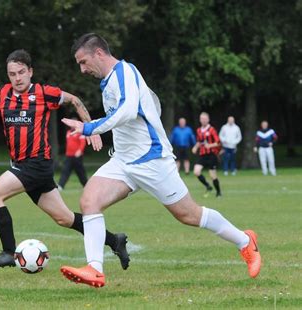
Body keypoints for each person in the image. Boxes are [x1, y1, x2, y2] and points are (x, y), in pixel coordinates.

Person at [59, 33, 260, 288]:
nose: (82, 69)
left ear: (99, 53)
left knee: (189, 215)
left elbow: (129, 110)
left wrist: (89, 128)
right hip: (124, 162)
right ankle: (94, 269)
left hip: (152, 159)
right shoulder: (108, 81)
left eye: (83, 62)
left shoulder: (125, 72)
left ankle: (245, 241)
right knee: (89, 200)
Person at [0, 49, 129, 270]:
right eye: (12, 74)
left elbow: (75, 101)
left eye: (21, 72)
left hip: (36, 164)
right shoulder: (2, 94)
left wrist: (92, 130)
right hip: (21, 166)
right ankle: (114, 240)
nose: (17, 78)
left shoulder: (43, 92)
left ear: (30, 72)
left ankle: (9, 252)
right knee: (65, 219)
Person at [192, 112, 222, 197]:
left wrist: (210, 145)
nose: (203, 120)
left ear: (208, 120)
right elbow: (199, 141)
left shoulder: (212, 130)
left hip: (211, 155)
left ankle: (218, 192)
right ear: (200, 120)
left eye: (205, 119)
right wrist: (195, 147)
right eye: (202, 119)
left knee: (213, 175)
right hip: (202, 155)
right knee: (196, 171)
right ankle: (208, 186)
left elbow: (218, 142)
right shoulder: (198, 130)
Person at [58, 117, 88, 190]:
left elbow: (83, 143)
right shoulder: (68, 132)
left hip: (77, 156)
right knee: (65, 170)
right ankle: (60, 185)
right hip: (69, 156)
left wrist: (80, 151)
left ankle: (86, 185)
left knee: (80, 172)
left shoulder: (80, 132)